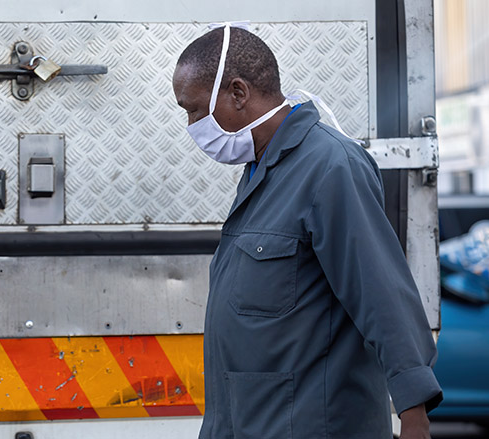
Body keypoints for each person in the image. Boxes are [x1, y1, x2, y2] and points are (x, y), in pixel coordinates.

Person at [172, 24, 442, 438]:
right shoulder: (262, 170)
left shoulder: (330, 166)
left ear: (238, 93)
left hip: (309, 424)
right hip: (254, 423)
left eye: (193, 110)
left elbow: (382, 293)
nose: (192, 125)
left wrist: (414, 415)